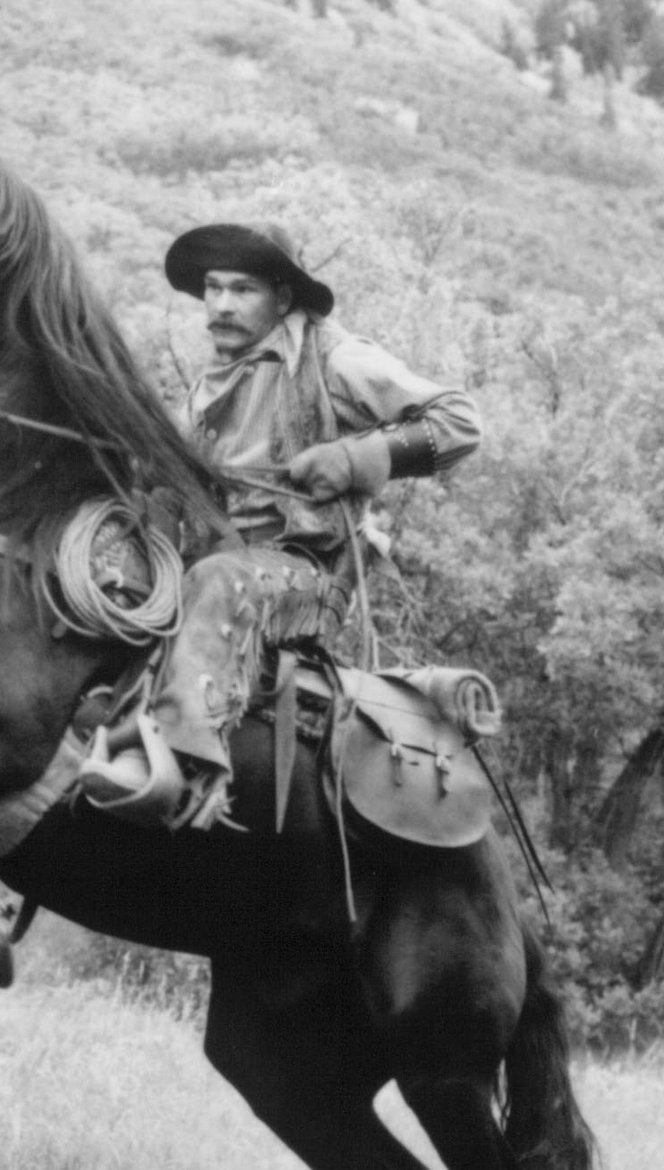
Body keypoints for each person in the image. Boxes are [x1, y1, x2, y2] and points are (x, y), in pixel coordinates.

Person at [78, 221, 482, 826]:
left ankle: (185, 767)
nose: (220, 305)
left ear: (283, 298)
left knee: (219, 579)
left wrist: (353, 459)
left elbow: (459, 421)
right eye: (213, 288)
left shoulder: (334, 357)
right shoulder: (208, 387)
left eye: (241, 290)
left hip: (305, 575)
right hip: (211, 561)